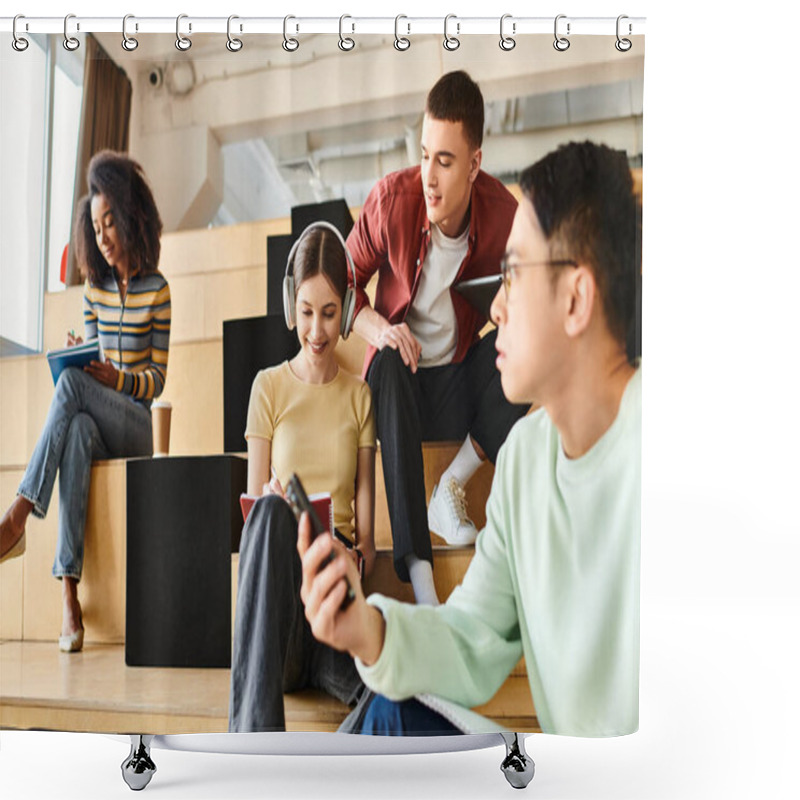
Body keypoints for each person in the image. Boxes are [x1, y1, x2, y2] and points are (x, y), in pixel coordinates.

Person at [299, 141, 643, 737]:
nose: (498, 305)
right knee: (387, 714)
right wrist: (366, 628)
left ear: (577, 299)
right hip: (410, 376)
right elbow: (473, 640)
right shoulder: (525, 463)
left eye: (511, 274)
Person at [346, 70, 527, 605]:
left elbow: (530, 301)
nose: (429, 175)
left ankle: (452, 484)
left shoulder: (505, 217)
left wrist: (508, 309)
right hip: (400, 392)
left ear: (474, 164)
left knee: (524, 351)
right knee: (388, 365)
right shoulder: (391, 201)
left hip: (460, 390)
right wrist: (380, 329)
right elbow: (343, 278)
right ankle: (423, 585)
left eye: (445, 161)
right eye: (424, 154)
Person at [0, 150, 171, 653]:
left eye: (109, 222)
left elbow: (157, 379)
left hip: (135, 424)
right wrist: (81, 352)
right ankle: (69, 598)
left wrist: (117, 380)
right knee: (74, 429)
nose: (102, 236)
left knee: (72, 392)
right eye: (95, 227)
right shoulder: (94, 291)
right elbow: (88, 358)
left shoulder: (158, 290)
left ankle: (19, 512)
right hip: (95, 420)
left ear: (130, 214)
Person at [228, 222, 376, 732]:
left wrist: (355, 556)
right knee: (269, 509)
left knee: (397, 691)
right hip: (284, 625)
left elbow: (369, 541)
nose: (317, 331)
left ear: (349, 310)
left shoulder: (360, 396)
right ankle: (252, 747)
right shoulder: (266, 387)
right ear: (291, 304)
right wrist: (270, 501)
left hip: (336, 609)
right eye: (307, 312)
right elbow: (252, 517)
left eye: (330, 314)